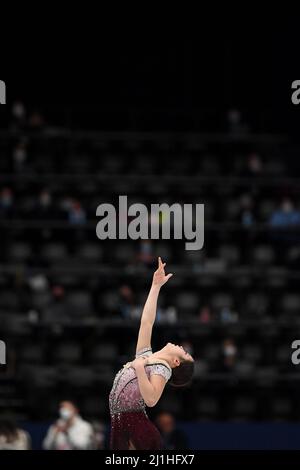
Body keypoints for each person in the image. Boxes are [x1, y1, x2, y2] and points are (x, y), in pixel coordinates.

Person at [109, 257, 194, 450]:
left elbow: (152, 399)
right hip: (122, 423)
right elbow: (146, 322)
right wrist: (155, 286)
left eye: (184, 353)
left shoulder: (162, 367)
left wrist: (139, 368)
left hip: (135, 424)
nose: (182, 347)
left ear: (176, 362)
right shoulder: (148, 357)